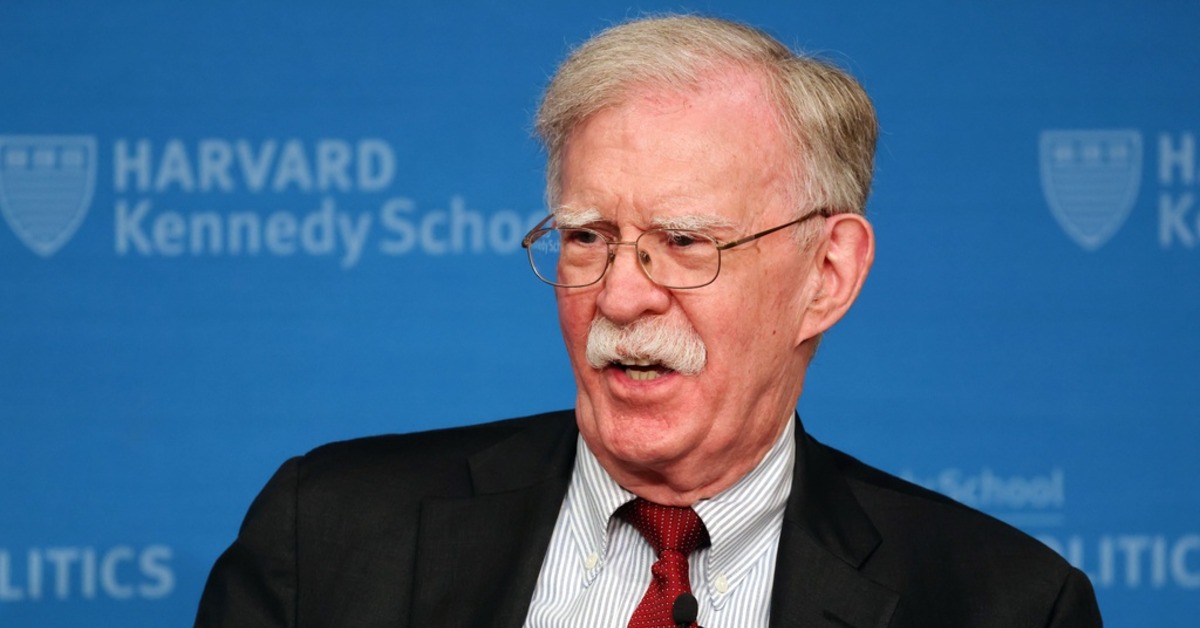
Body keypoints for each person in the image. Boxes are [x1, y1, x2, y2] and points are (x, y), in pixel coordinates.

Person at [195, 15, 1102, 628]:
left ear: (826, 275)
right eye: (588, 237)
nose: (622, 297)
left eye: (684, 241)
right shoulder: (328, 536)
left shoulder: (1003, 606)